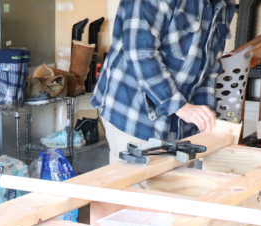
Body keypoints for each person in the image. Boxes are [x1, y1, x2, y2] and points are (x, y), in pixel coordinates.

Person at [91, 0, 235, 164]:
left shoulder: (225, 4)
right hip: (134, 111)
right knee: (135, 186)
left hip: (180, 117)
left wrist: (205, 122)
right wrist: (180, 107)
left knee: (172, 185)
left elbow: (209, 69)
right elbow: (140, 52)